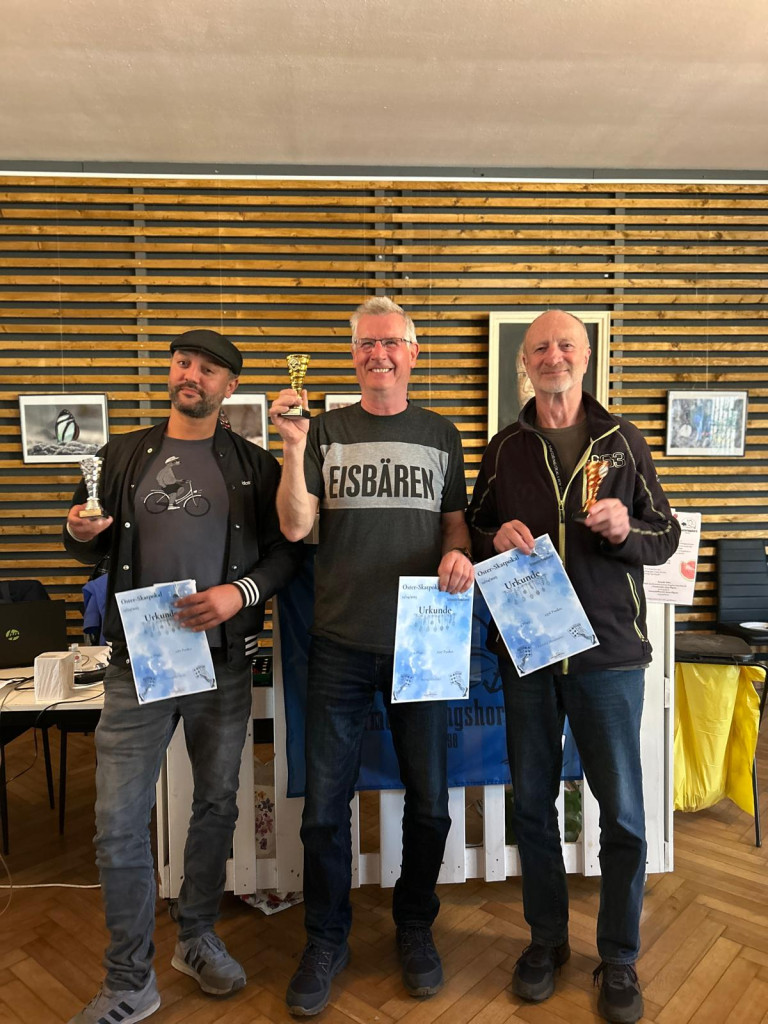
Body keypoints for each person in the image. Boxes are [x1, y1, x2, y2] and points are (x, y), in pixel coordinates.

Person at [63, 328, 301, 1024]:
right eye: (183, 362)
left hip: (221, 661)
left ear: (230, 387)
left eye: (208, 368)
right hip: (135, 663)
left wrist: (240, 594)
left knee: (217, 806)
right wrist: (79, 532)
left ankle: (195, 936)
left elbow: (287, 554)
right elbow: (87, 542)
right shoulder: (122, 454)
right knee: (117, 820)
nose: (191, 374)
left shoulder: (254, 465)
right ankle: (128, 979)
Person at [468, 310, 680, 1024]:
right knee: (531, 806)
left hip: (608, 656)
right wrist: (493, 534)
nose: (552, 356)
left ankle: (618, 957)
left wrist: (627, 529)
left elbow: (665, 533)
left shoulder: (623, 441)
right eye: (540, 348)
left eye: (565, 345)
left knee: (622, 814)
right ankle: (546, 941)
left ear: (585, 357)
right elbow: (474, 525)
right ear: (525, 363)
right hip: (530, 655)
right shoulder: (504, 448)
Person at [270, 297, 474, 1016]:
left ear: (413, 353)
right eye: (365, 343)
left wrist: (458, 554)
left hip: (424, 642)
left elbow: (456, 525)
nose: (378, 353)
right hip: (339, 644)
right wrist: (292, 448)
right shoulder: (322, 431)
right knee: (324, 811)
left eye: (391, 342)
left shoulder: (441, 434)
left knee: (431, 805)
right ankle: (326, 939)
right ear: (352, 355)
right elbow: (295, 527)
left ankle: (415, 925)